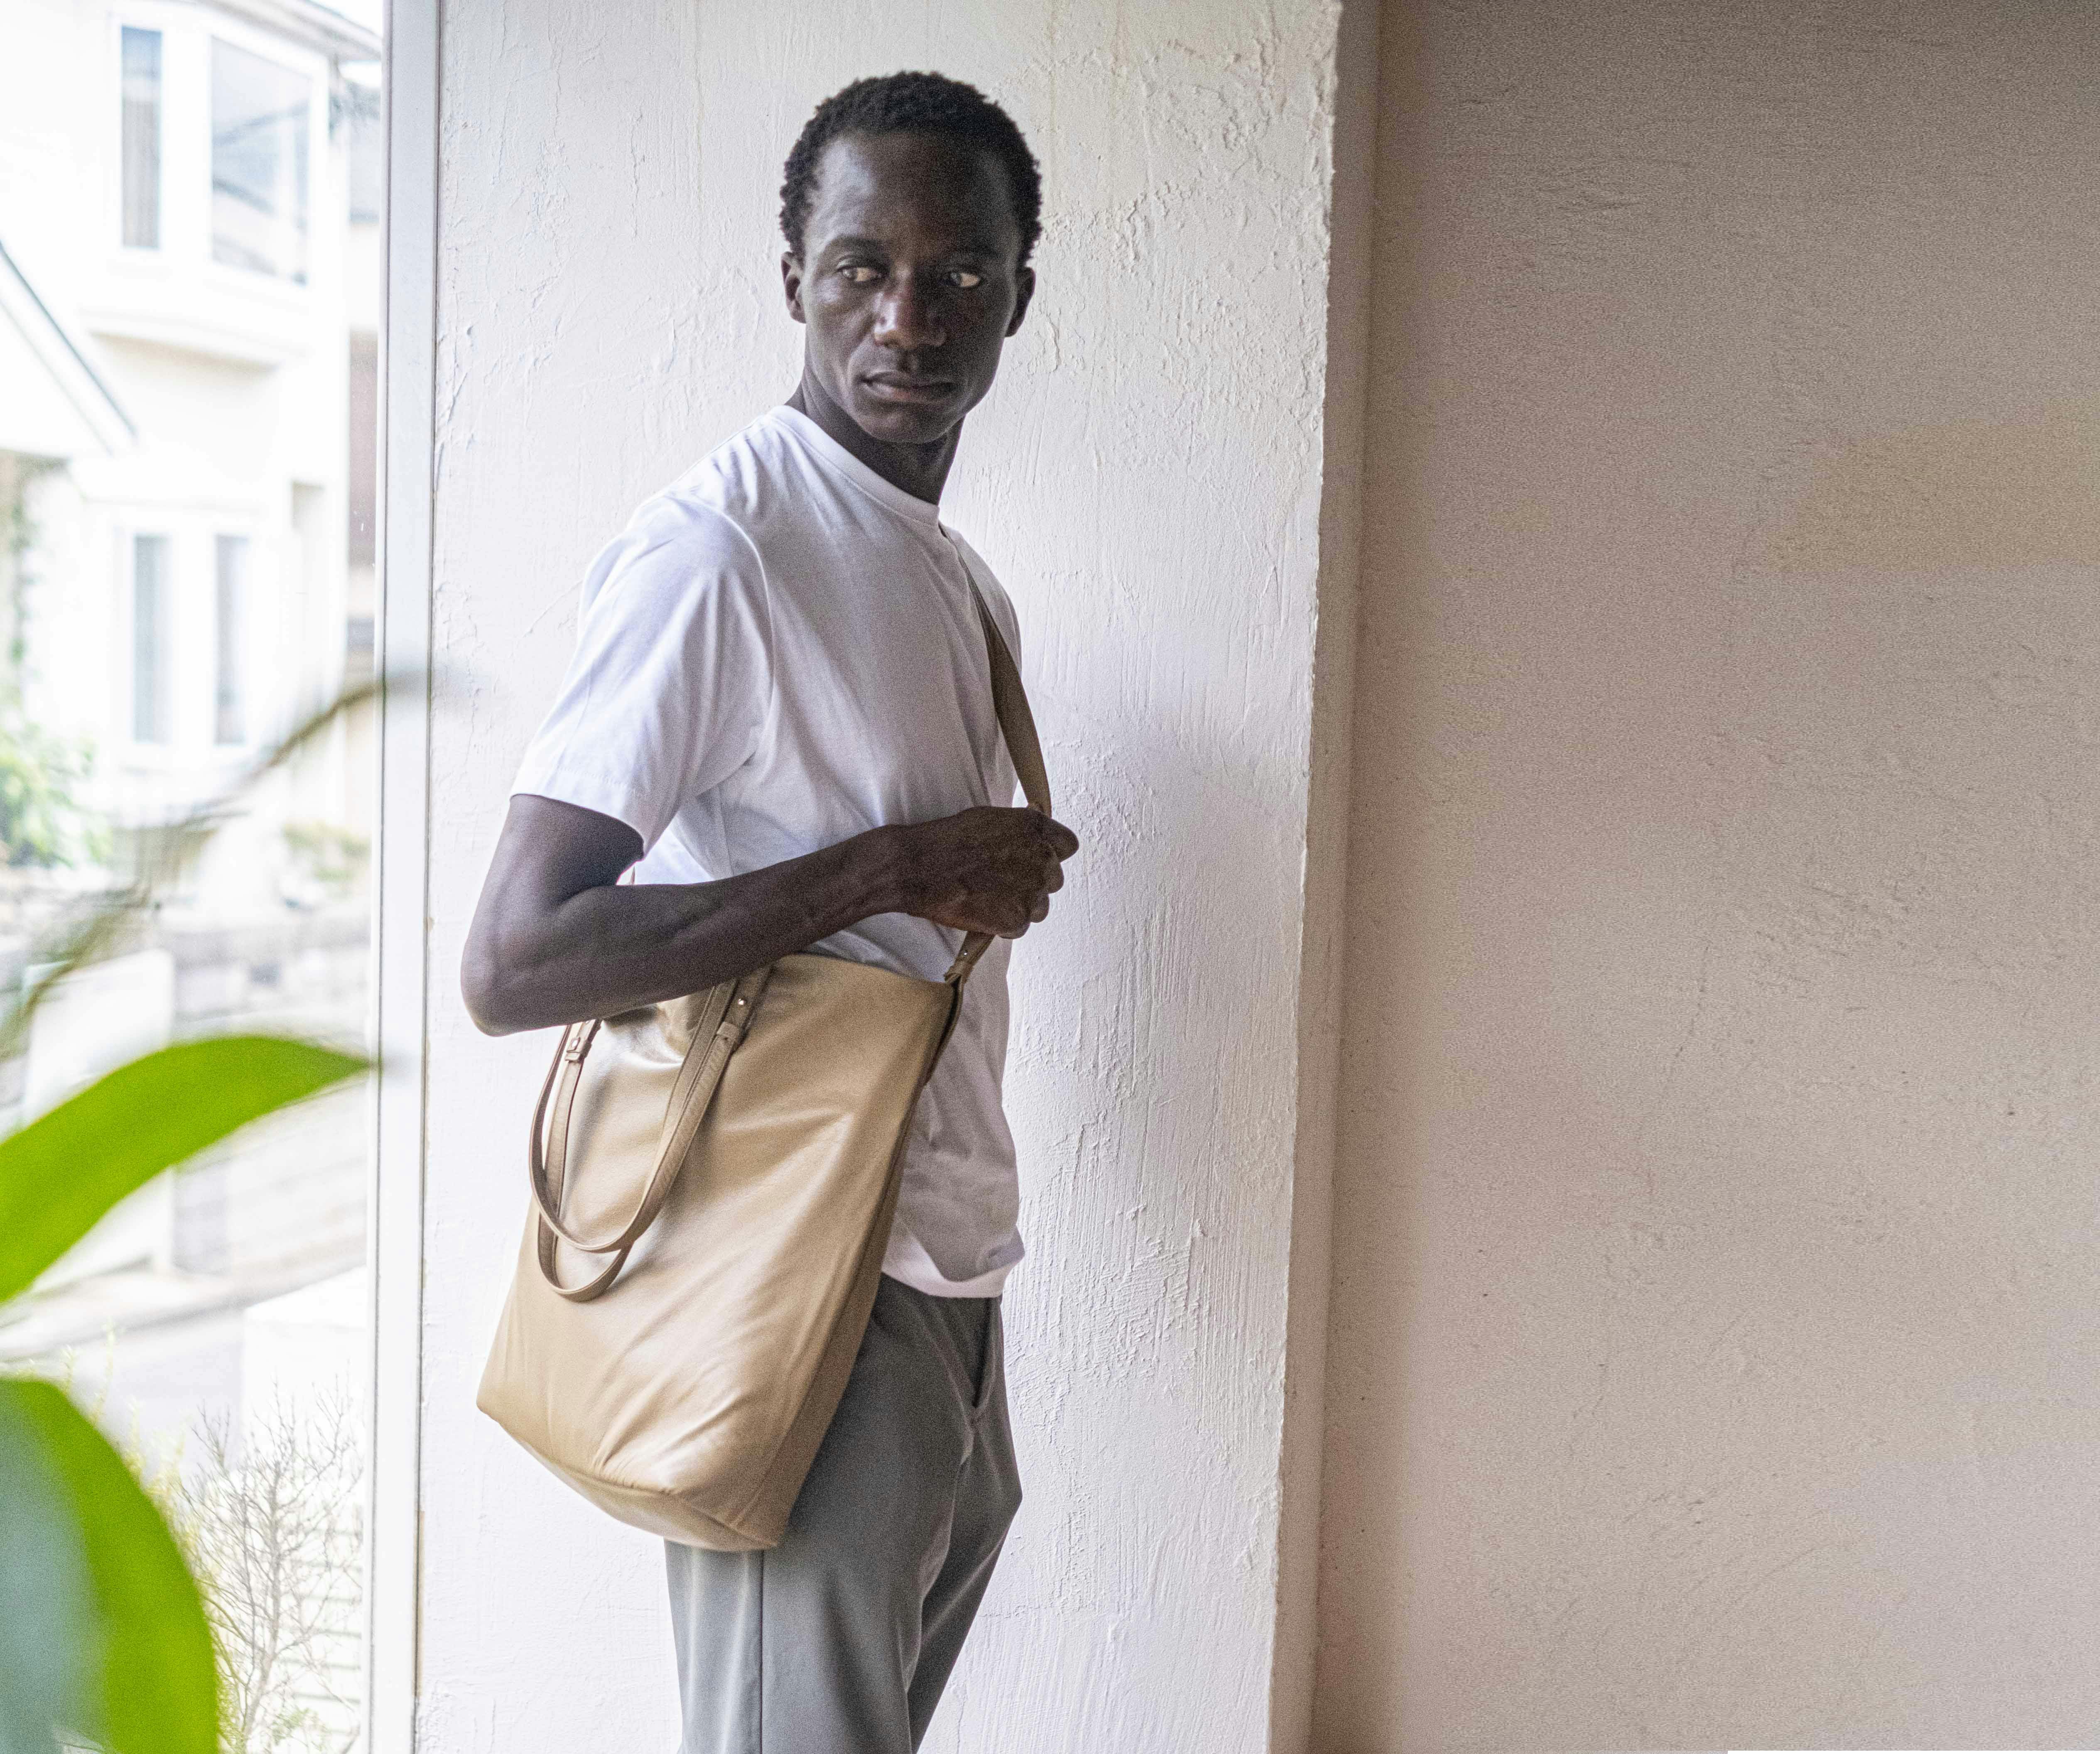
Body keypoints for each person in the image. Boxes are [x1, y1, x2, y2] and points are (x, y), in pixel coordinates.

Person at [460, 69, 1079, 1754]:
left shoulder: (950, 573)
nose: (909, 319)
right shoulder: (720, 552)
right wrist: (892, 870)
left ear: (1020, 295)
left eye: (959, 275)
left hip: (940, 1255)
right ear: (794, 278)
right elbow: (516, 956)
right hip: (797, 1271)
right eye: (863, 268)